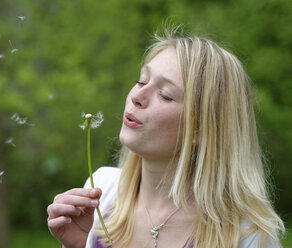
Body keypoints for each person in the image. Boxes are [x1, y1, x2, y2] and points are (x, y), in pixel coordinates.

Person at [47, 28, 285, 248]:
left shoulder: (249, 237)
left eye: (165, 95)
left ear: (201, 130)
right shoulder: (101, 191)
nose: (137, 96)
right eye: (142, 80)